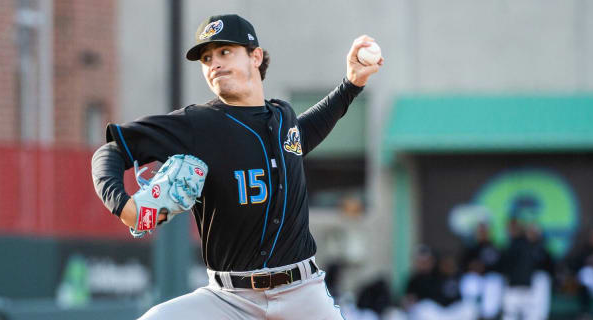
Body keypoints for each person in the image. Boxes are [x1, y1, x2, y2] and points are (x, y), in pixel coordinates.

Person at [90, 14, 381, 319]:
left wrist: (352, 84)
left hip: (302, 294)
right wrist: (123, 204)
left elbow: (305, 133)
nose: (214, 63)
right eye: (206, 58)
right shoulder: (197, 124)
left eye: (225, 51)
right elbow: (111, 150)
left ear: (255, 56)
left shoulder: (283, 120)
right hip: (229, 300)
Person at [500, 221, 553, 320]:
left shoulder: (540, 249)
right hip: (513, 288)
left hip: (529, 290)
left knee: (532, 315)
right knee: (510, 315)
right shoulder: (512, 246)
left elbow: (549, 268)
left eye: (534, 232)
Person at [459, 222, 504, 319]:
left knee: (493, 281)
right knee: (470, 281)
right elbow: (463, 266)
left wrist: (485, 268)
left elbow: (501, 267)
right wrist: (473, 267)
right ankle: (471, 314)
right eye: (480, 231)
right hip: (476, 280)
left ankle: (489, 316)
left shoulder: (496, 248)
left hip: (491, 281)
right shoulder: (471, 249)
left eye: (485, 231)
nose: (483, 233)